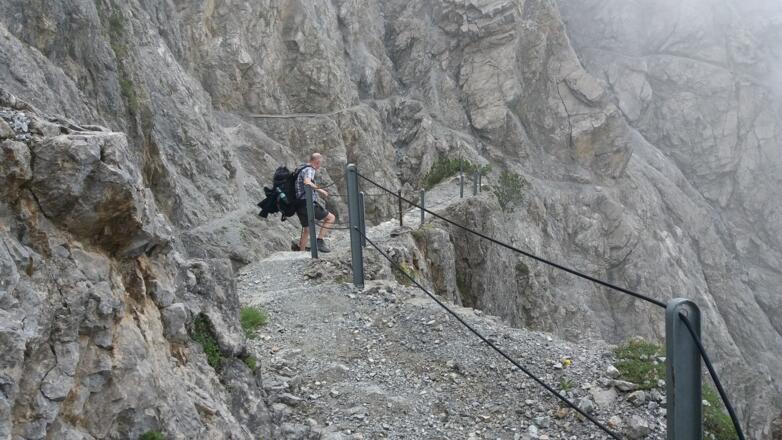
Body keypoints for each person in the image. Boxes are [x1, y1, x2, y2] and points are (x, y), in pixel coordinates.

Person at [293, 152, 335, 253]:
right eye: (320, 163)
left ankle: (301, 253)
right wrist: (322, 191)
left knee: (307, 230)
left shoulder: (302, 167)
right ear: (317, 161)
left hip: (299, 204)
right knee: (331, 218)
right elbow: (307, 182)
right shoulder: (310, 169)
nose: (320, 166)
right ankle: (319, 241)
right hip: (308, 203)